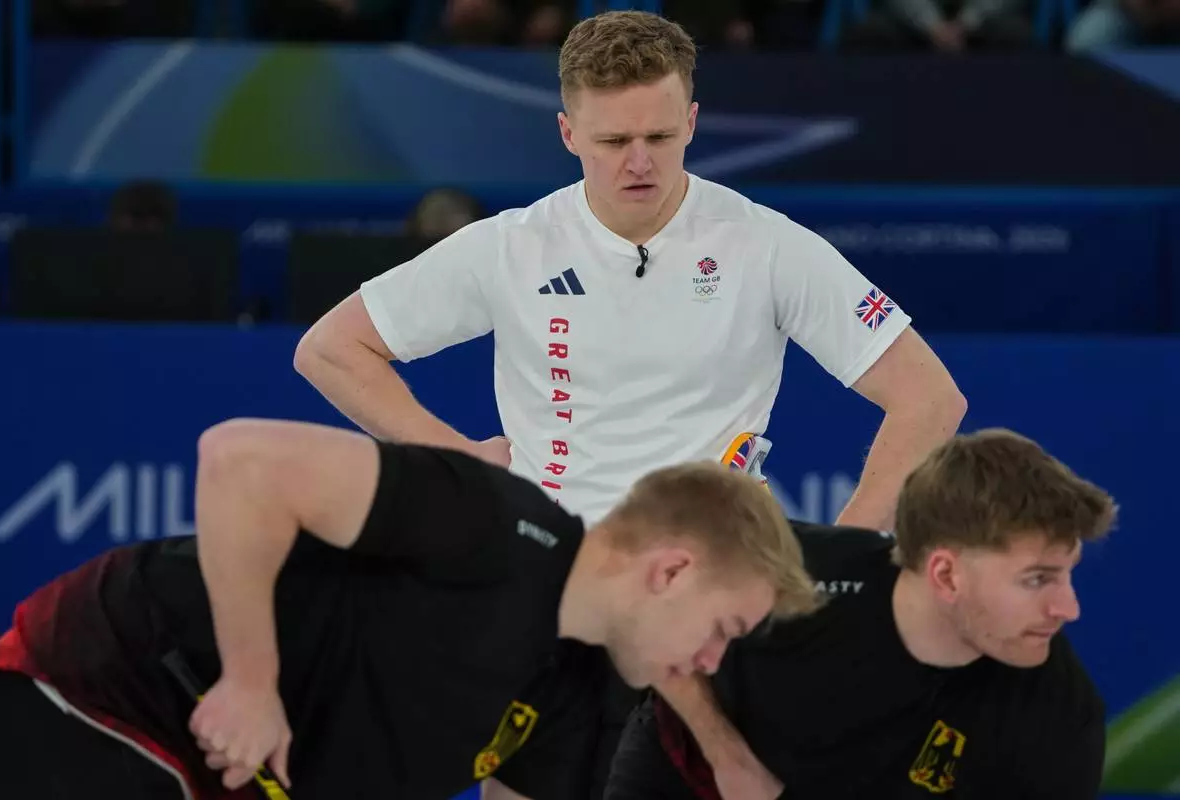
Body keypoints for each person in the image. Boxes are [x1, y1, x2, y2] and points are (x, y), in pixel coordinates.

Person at [293, 10, 967, 794]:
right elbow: (331, 349)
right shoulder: (511, 246)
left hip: (707, 608)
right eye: (613, 142)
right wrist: (458, 459)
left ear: (692, 121)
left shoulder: (765, 244)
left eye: (660, 137)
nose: (639, 162)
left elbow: (928, 396)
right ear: (568, 133)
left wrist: (842, 555)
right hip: (545, 591)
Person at [0, 417, 819, 800]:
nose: (710, 665)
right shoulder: (494, 524)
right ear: (670, 572)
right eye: (722, 632)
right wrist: (252, 680)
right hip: (107, 692)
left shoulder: (579, 693)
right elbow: (240, 461)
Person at [603, 428, 1117, 800]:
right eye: (1037, 580)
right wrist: (727, 756)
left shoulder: (1061, 714)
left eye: (1067, 574)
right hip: (697, 775)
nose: (1067, 608)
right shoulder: (798, 578)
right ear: (945, 575)